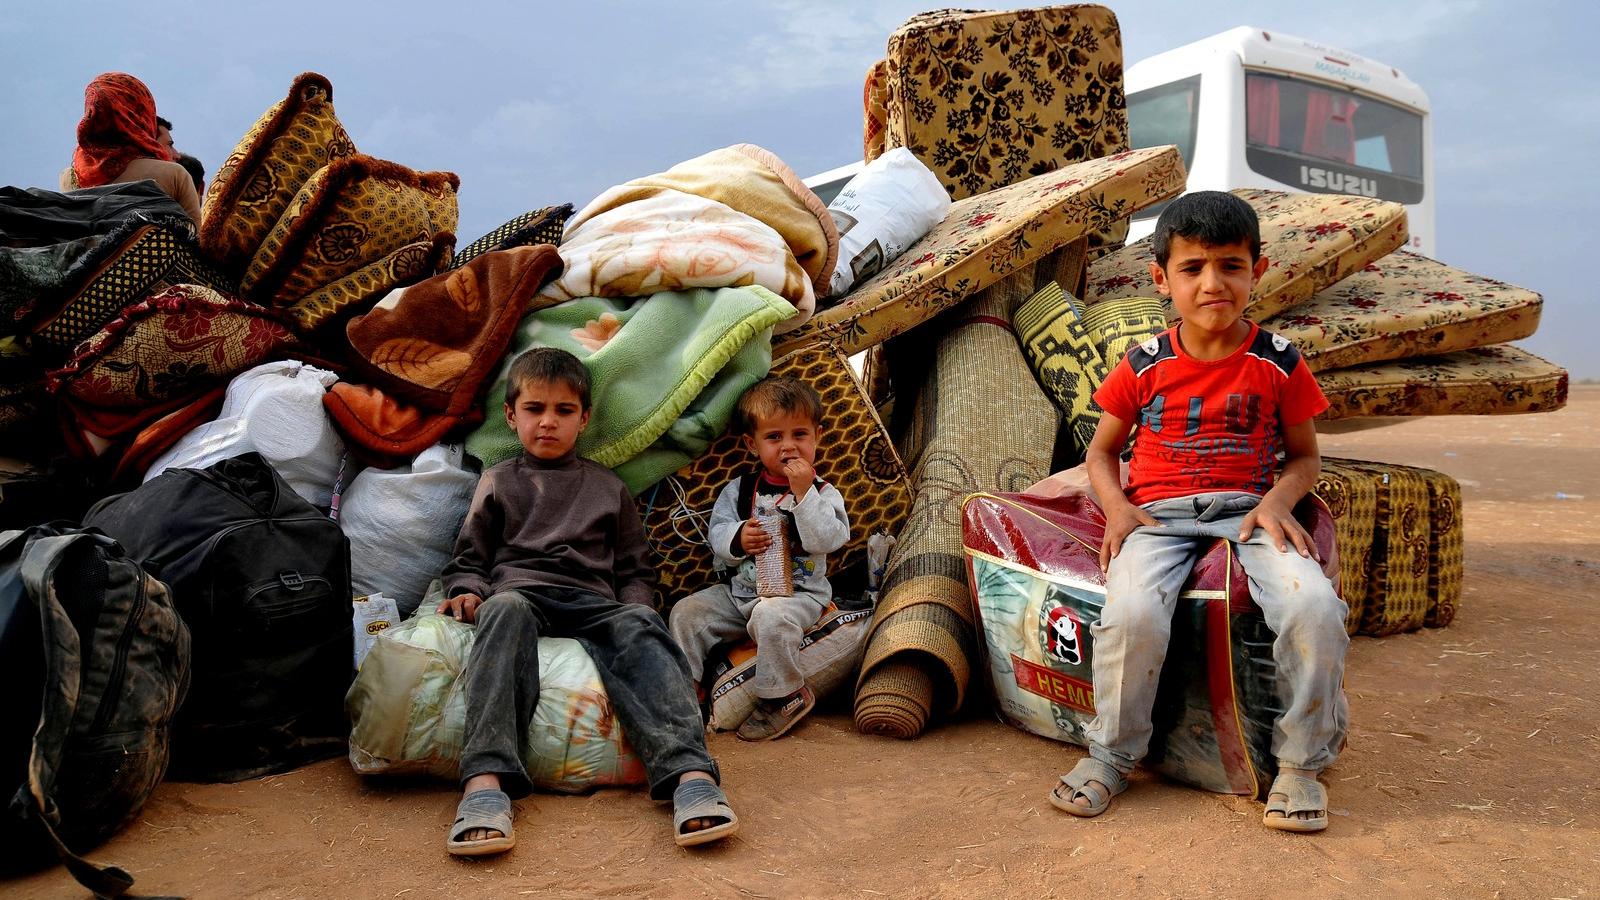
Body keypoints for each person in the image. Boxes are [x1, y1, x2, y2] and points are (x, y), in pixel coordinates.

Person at [1049, 191, 1349, 833]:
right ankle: (1110, 754)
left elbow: (1304, 460)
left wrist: (1276, 501)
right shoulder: (1145, 365)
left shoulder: (1279, 362)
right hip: (1158, 516)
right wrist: (1118, 510)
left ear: (1256, 270)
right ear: (1162, 278)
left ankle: (1299, 767)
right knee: (1131, 616)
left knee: (1314, 609)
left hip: (1249, 511)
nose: (1213, 283)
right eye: (1192, 268)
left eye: (1230, 265)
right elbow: (1101, 452)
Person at [437, 348, 738, 856]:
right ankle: (485, 784)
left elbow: (634, 568)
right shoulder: (498, 481)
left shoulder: (607, 486)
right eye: (534, 409)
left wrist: (637, 609)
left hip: (592, 601)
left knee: (643, 624)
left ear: (585, 418)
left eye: (563, 410)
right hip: (521, 594)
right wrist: (467, 590)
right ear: (511, 417)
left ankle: (690, 775)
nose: (548, 422)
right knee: (501, 611)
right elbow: (470, 556)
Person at [668, 376, 850, 741]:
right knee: (686, 613)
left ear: (818, 437)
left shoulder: (824, 492)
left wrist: (803, 496)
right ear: (753, 444)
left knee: (772, 617)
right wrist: (738, 538)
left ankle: (783, 695)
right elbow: (716, 535)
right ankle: (685, 692)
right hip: (740, 594)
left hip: (798, 597)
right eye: (774, 437)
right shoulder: (740, 490)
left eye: (800, 435)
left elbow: (829, 538)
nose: (788, 447)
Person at [58, 73, 201, 222]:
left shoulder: (69, 178)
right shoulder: (174, 175)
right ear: (141, 113)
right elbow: (196, 239)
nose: (177, 155)